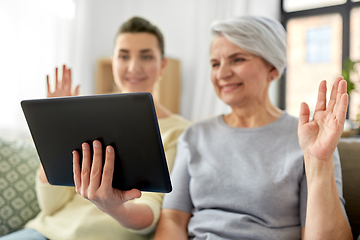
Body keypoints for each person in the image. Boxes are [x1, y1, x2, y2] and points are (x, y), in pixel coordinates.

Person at [153, 16, 353, 240]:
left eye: (237, 59)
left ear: (273, 68)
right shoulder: (194, 136)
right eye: (215, 63)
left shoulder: (310, 140)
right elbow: (172, 219)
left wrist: (319, 162)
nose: (222, 74)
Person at [0, 16, 190, 240]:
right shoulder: (87, 116)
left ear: (163, 65)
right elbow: (51, 206)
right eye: (123, 55)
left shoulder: (181, 132)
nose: (133, 67)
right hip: (43, 232)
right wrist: (54, 135)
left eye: (146, 56)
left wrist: (113, 206)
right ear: (113, 62)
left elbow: (151, 216)